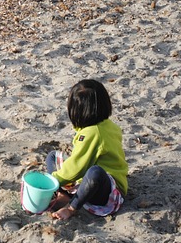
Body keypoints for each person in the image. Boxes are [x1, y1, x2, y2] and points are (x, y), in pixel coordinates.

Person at [46, 79, 128, 220]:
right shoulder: (107, 125)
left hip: (107, 192)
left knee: (94, 173)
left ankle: (71, 208)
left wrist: (52, 181)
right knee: (54, 156)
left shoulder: (93, 133)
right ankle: (64, 195)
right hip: (87, 181)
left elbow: (78, 167)